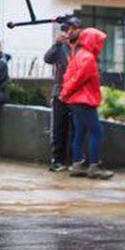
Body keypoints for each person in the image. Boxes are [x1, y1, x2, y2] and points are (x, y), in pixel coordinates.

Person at [60, 27, 114, 179]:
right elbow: (77, 79)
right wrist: (65, 93)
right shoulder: (88, 58)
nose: (101, 46)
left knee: (80, 133)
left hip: (76, 101)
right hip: (85, 101)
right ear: (94, 41)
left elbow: (69, 76)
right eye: (99, 42)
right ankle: (94, 167)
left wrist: (65, 94)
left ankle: (77, 165)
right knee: (97, 132)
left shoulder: (77, 55)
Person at [44, 17, 82, 171]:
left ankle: (76, 160)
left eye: (73, 28)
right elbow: (47, 59)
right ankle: (57, 160)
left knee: (77, 128)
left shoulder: (83, 47)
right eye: (68, 29)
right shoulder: (61, 47)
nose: (70, 31)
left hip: (77, 94)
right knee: (58, 128)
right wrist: (56, 44)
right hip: (60, 93)